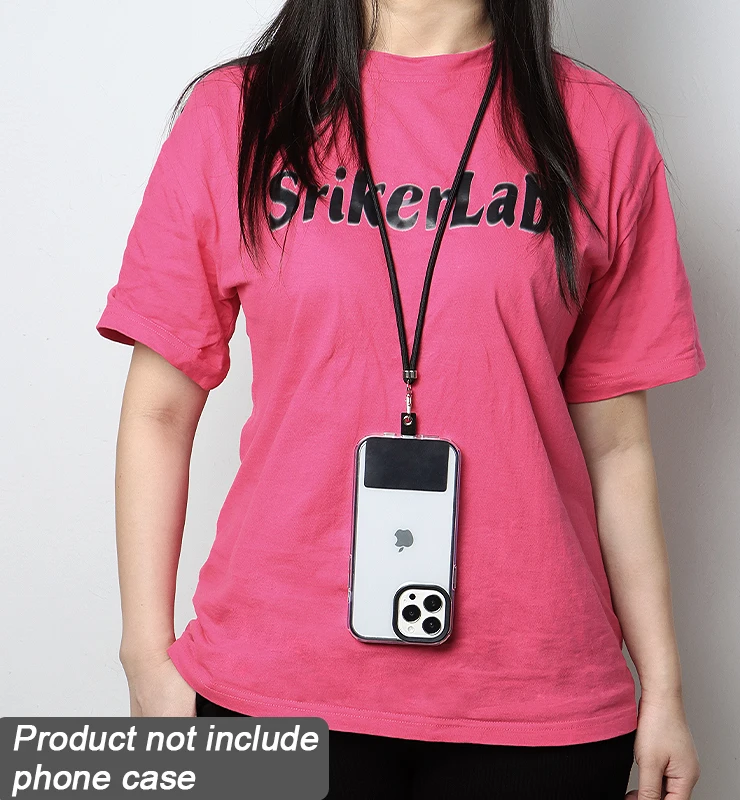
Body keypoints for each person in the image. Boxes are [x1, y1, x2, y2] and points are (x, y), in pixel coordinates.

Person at [95, 0, 705, 797]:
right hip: (272, 689)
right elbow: (159, 412)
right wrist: (146, 658)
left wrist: (663, 690)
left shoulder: (597, 125)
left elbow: (617, 442)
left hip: (536, 703)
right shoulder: (237, 115)